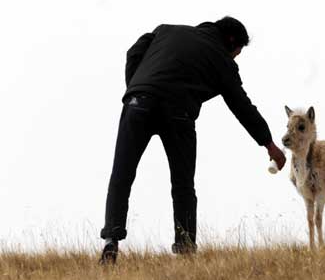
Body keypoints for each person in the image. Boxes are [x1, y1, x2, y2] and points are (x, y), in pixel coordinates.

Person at [99, 16, 287, 264]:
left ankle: (111, 243)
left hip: (138, 104)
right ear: (231, 42)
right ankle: (186, 249)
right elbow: (242, 106)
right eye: (237, 54)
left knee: (122, 174)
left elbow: (134, 52)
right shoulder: (221, 59)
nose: (234, 59)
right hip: (177, 112)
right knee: (183, 184)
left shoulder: (165, 31)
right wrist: (269, 144)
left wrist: (136, 87)